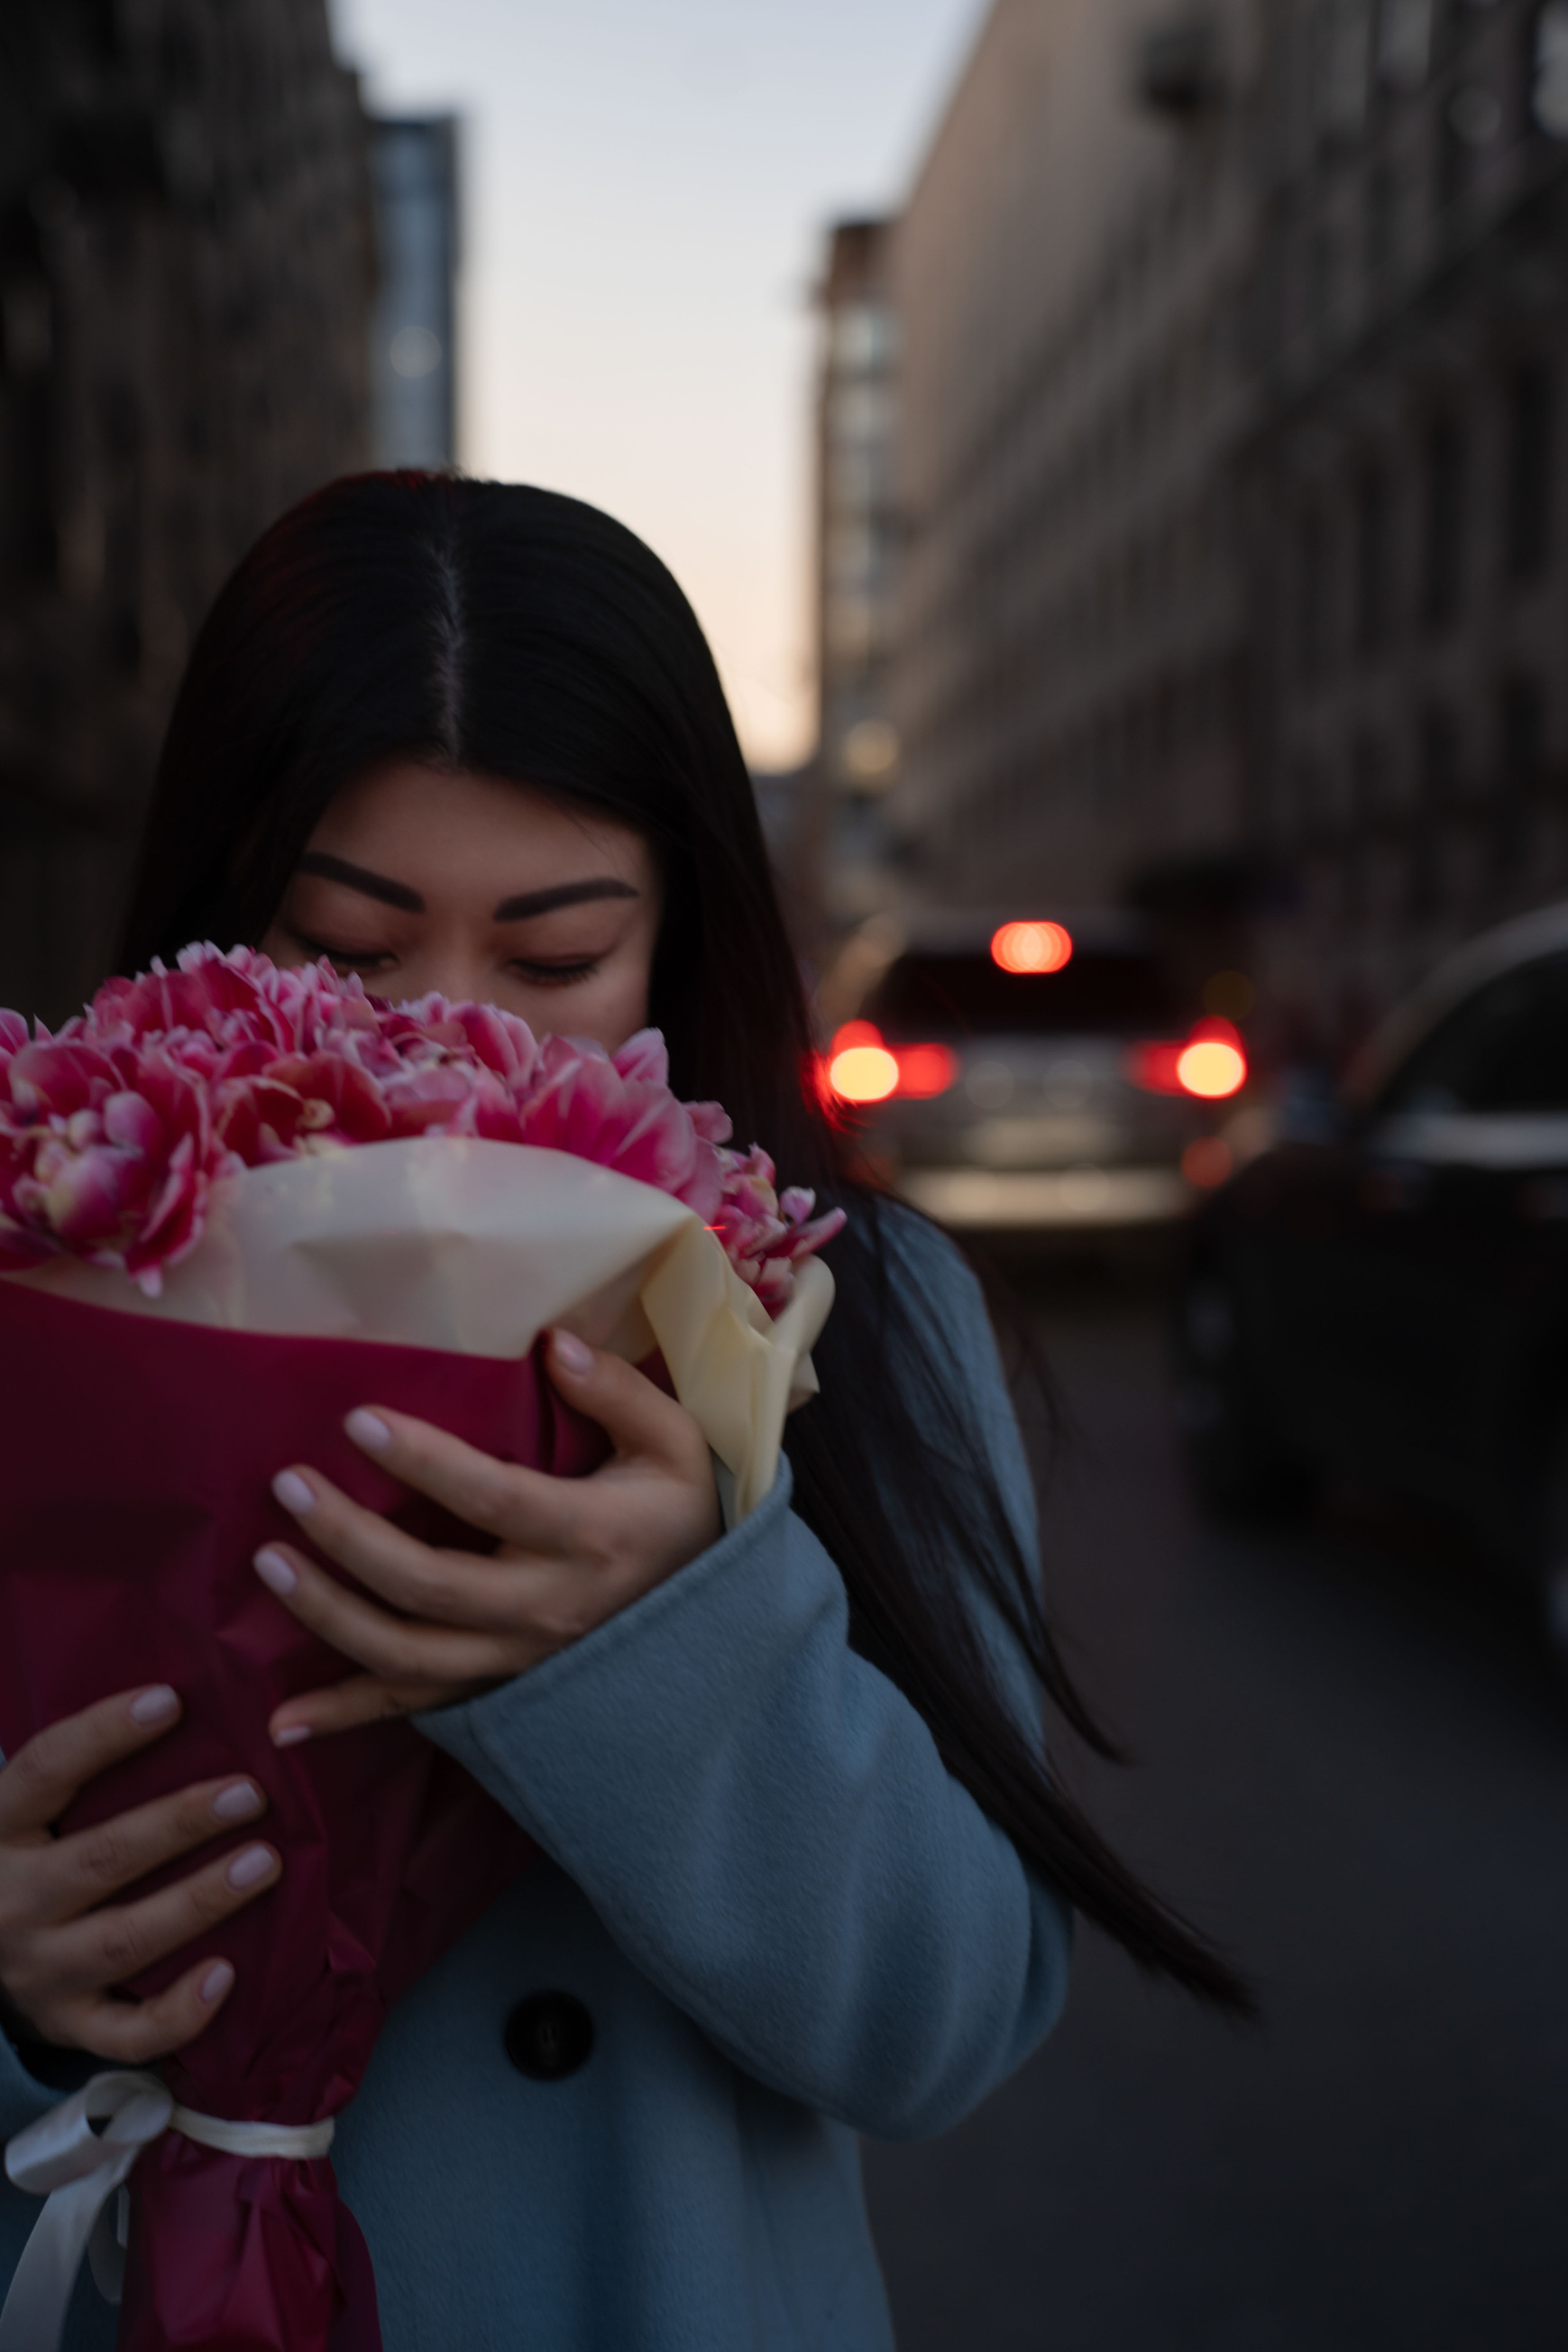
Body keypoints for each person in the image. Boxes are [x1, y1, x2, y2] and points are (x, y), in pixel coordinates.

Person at [0, 474, 1247, 2351]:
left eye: (556, 959)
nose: (445, 1045)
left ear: (679, 940)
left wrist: (670, 1637)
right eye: (347, 951)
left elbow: (942, 2025)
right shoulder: (55, 1268)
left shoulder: (870, 1315)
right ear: (211, 923)